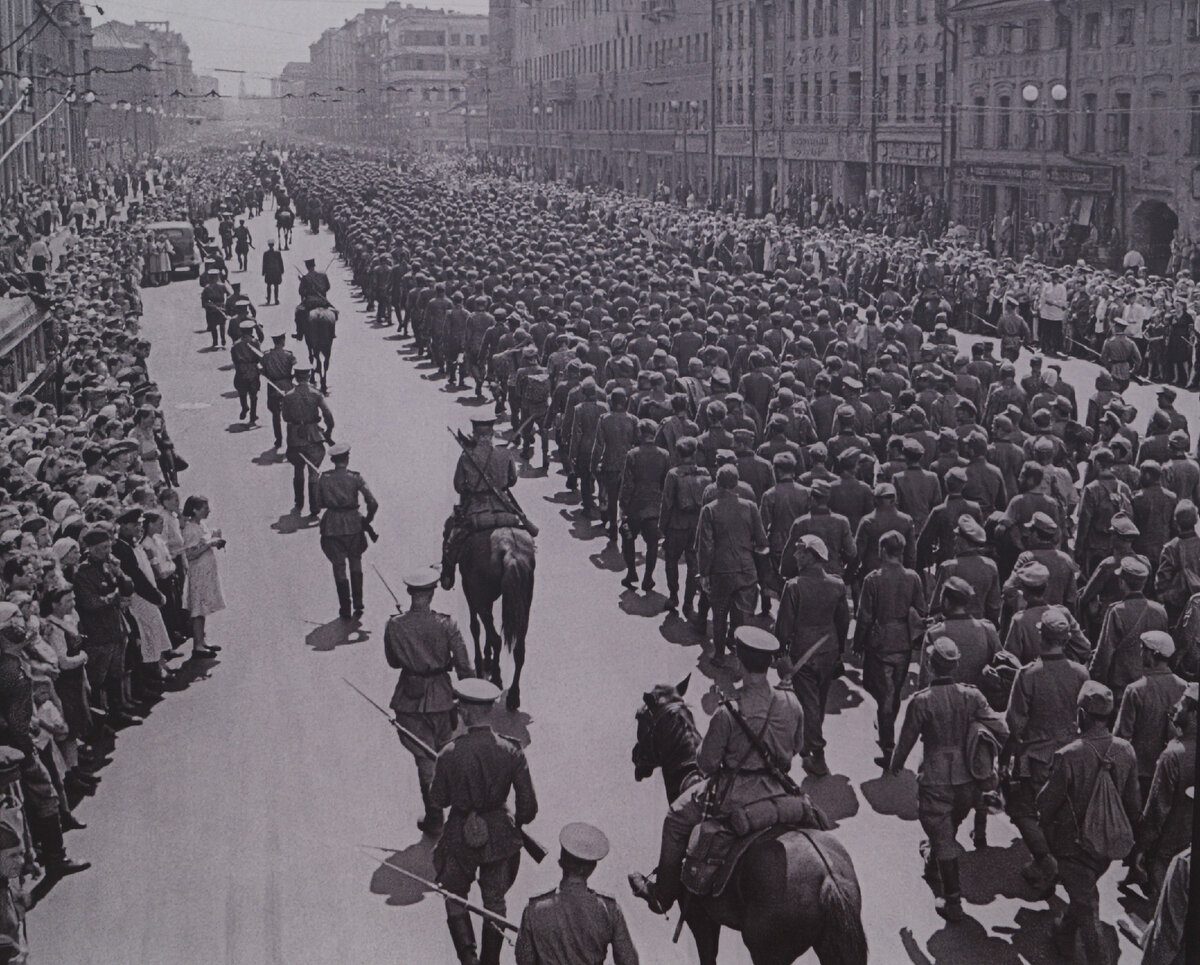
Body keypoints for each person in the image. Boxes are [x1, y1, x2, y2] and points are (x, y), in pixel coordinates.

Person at [628, 626, 810, 914]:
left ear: (739, 661)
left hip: (734, 795)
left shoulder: (728, 711)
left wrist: (715, 714)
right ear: (769, 663)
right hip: (778, 790)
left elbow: (705, 764)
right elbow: (798, 747)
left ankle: (662, 893)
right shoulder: (792, 703)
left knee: (675, 819)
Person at [889, 637, 1008, 921]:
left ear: (930, 665)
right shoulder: (972, 696)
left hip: (935, 778)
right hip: (968, 779)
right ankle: (932, 863)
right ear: (955, 666)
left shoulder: (922, 701)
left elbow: (906, 740)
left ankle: (952, 899)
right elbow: (1001, 729)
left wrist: (895, 765)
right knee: (949, 826)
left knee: (942, 836)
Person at [430, 677, 538, 965]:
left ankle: (468, 959)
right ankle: (491, 961)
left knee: (454, 894)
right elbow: (529, 807)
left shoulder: (449, 753)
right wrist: (515, 822)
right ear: (491, 709)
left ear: (465, 712)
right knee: (495, 902)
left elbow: (438, 800)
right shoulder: (512, 750)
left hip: (458, 835)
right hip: (500, 834)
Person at [1037, 680, 1141, 962]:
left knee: (1089, 907)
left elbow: (1046, 804)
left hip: (1074, 847)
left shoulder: (1069, 755)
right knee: (1083, 897)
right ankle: (1063, 934)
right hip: (1108, 846)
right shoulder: (1126, 750)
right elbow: (1133, 804)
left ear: (1081, 714)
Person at [384, 570, 473, 835]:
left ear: (411, 594)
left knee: (425, 760)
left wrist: (407, 635)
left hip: (409, 701)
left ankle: (435, 818)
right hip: (442, 699)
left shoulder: (394, 625)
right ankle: (461, 812)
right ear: (432, 593)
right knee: (448, 755)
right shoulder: (447, 624)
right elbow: (464, 667)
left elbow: (392, 662)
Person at [775, 534, 849, 777]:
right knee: (818, 700)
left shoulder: (794, 586)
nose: (795, 556)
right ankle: (809, 744)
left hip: (802, 653)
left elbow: (783, 627)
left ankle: (818, 754)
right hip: (828, 650)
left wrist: (780, 654)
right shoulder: (837, 585)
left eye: (800, 551)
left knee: (809, 704)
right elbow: (843, 621)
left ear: (812, 556)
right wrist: (840, 651)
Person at [515, 823, 639, 965]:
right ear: (592, 868)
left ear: (561, 862)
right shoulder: (609, 909)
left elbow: (524, 960)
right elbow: (629, 961)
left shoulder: (534, 908)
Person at [854, 529, 926, 765]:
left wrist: (858, 642)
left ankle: (888, 745)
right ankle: (887, 727)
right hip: (903, 644)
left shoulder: (872, 579)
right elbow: (921, 611)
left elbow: (864, 616)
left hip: (880, 644)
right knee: (893, 691)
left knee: (884, 694)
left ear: (883, 551)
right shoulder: (913, 578)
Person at [695, 464, 769, 665]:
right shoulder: (750, 507)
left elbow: (706, 545)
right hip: (746, 570)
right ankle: (737, 649)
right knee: (741, 615)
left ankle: (719, 655)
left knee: (719, 614)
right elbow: (762, 541)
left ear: (717, 484)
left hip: (721, 571)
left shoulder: (709, 510)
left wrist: (704, 574)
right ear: (737, 484)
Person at [442, 417, 523, 590]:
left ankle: (448, 575)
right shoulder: (504, 453)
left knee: (450, 532)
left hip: (475, 507)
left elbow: (458, 486)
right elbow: (513, 480)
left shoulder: (466, 456)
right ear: (492, 434)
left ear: (475, 435)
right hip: (503, 506)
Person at [314, 443, 378, 619]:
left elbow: (318, 504)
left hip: (332, 526)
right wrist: (367, 520)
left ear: (333, 460)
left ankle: (345, 607)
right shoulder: (355, 478)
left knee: (338, 567)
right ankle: (359, 603)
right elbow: (373, 502)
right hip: (353, 524)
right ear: (347, 459)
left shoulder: (324, 478)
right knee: (356, 563)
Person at [618, 419, 669, 592]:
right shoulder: (664, 455)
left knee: (627, 536)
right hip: (655, 504)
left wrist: (623, 505)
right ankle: (648, 577)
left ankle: (631, 571)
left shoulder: (633, 454)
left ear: (640, 433)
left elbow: (627, 483)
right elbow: (665, 482)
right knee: (652, 543)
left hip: (635, 504)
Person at [280, 366, 334, 516]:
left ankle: (299, 502)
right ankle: (314, 506)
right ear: (309, 375)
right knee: (313, 473)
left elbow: (285, 417)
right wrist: (328, 432)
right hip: (314, 437)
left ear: (296, 377)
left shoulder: (288, 396)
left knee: (298, 470)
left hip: (295, 438)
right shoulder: (316, 394)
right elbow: (328, 415)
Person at [180, 496, 226, 660]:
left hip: (206, 571)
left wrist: (213, 536)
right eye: (204, 508)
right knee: (198, 608)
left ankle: (202, 641)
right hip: (198, 572)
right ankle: (197, 645)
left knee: (203, 607)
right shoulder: (190, 529)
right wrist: (209, 544)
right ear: (194, 510)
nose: (208, 511)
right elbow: (190, 554)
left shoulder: (200, 525)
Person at [260, 332, 297, 449]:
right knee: (291, 416)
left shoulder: (266, 355)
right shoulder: (289, 355)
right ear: (283, 341)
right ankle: (291, 439)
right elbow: (296, 369)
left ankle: (278, 440)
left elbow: (261, 369)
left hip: (273, 386)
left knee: (275, 415)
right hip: (287, 386)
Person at [230, 319, 262, 426]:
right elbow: (259, 357)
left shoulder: (235, 344)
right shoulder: (254, 342)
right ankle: (253, 415)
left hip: (240, 369)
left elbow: (233, 358)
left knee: (242, 391)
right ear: (251, 331)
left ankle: (244, 407)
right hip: (252, 368)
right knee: (253, 393)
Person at [261, 239, 284, 305]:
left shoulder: (266, 253)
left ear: (268, 245)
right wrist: (282, 270)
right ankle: (276, 300)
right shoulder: (278, 253)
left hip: (269, 272)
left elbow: (264, 263)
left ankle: (268, 300)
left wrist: (263, 272)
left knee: (268, 286)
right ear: (273, 245)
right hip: (276, 272)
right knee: (276, 286)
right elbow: (280, 262)